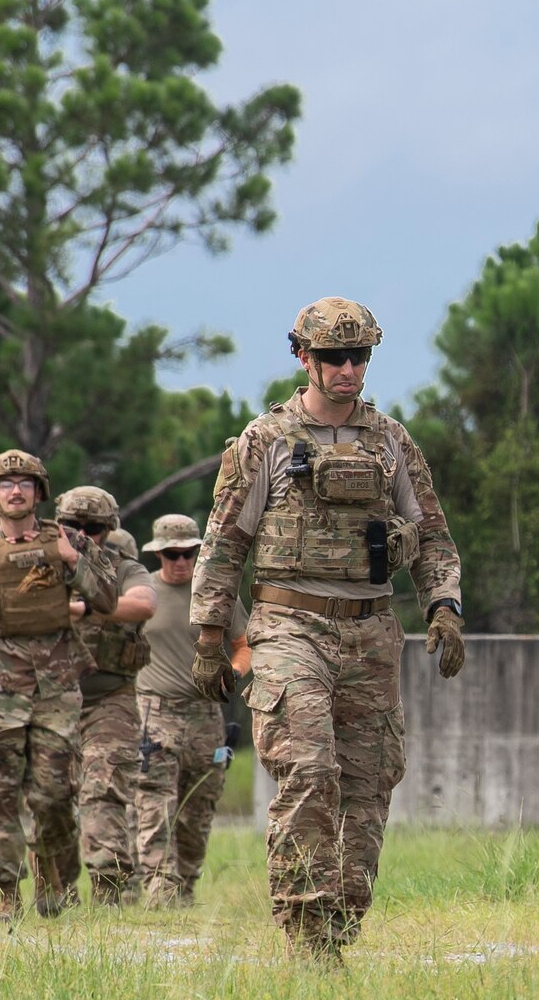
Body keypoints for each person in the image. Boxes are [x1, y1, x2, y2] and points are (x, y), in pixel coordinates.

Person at [192, 297, 465, 963]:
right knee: (308, 770)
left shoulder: (391, 441)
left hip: (371, 630)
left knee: (369, 785)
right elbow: (225, 541)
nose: (348, 368)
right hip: (289, 625)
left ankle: (341, 923)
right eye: (334, 357)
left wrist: (444, 605)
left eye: (359, 356)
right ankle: (306, 927)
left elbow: (432, 535)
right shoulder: (268, 440)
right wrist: (209, 633)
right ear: (303, 358)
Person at [0, 450, 119, 921]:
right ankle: (7, 894)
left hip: (57, 682)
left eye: (25, 483)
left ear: (39, 492)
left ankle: (51, 874)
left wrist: (72, 560)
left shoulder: (69, 540)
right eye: (5, 483)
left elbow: (107, 598)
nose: (15, 490)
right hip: (1, 683)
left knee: (54, 793)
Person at [133, 513, 250, 907]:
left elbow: (244, 644)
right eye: (171, 554)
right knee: (155, 806)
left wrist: (232, 674)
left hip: (206, 716)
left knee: (197, 812)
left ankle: (184, 887)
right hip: (154, 712)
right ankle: (159, 892)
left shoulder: (216, 594)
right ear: (158, 554)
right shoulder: (142, 592)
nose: (180, 561)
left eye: (188, 553)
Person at [58, 486, 157, 905]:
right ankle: (56, 889)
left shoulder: (124, 568)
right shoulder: (40, 563)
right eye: (73, 526)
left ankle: (110, 890)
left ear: (109, 529)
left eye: (93, 527)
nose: (83, 534)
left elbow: (142, 605)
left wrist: (83, 607)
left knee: (105, 784)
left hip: (110, 695)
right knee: (50, 793)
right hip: (52, 695)